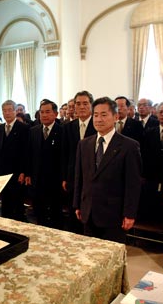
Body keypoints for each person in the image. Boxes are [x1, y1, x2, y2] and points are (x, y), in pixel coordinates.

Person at [73, 97, 142, 243]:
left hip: (114, 213)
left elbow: (133, 183)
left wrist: (129, 214)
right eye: (96, 115)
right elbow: (80, 177)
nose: (98, 119)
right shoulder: (84, 144)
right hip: (88, 210)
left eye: (104, 115)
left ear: (116, 117)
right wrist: (78, 204)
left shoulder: (129, 146)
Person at [25, 99, 64, 229]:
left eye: (48, 112)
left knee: (54, 213)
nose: (44, 115)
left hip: (55, 180)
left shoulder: (62, 131)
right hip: (37, 179)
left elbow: (65, 157)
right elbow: (29, 154)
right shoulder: (33, 131)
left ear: (55, 114)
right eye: (42, 112)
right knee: (39, 212)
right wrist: (28, 174)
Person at [62, 91, 96, 233]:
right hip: (72, 177)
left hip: (92, 176)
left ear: (91, 105)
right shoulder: (68, 127)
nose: (81, 107)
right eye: (78, 104)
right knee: (73, 212)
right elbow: (64, 155)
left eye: (85, 103)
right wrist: (64, 177)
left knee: (90, 214)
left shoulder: (98, 125)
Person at [139, 102, 163, 223]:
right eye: (161, 112)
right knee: (151, 207)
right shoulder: (150, 132)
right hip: (151, 178)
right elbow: (143, 155)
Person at [0, 100, 30, 221]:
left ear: (15, 111)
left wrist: (23, 171)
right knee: (5, 202)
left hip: (17, 172)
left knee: (17, 203)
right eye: (4, 110)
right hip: (3, 172)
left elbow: (26, 152)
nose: (7, 113)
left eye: (10, 110)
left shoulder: (24, 128)